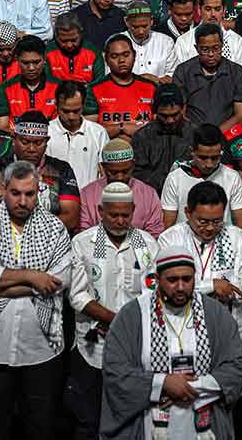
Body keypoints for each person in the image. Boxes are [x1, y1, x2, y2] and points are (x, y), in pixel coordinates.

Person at [0, 160, 72, 440]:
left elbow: (59, 281)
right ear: (3, 189)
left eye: (30, 194)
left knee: (41, 427)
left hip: (42, 347)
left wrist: (2, 287)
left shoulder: (55, 228)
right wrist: (34, 278)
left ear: (39, 192)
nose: (23, 201)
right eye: (15, 193)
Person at [99, 238, 242, 440]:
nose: (180, 287)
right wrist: (161, 384)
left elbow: (236, 365)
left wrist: (189, 388)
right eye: (172, 280)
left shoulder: (215, 314)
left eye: (187, 279)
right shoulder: (132, 315)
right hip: (149, 424)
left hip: (203, 420)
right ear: (158, 278)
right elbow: (115, 370)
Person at [68, 180, 159, 440]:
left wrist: (123, 324)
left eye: (125, 215)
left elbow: (154, 295)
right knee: (89, 420)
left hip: (135, 346)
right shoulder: (83, 243)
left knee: (131, 417)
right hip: (92, 346)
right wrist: (113, 319)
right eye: (113, 214)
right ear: (100, 211)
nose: (120, 221)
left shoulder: (147, 244)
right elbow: (77, 296)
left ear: (133, 210)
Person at [158, 180, 242, 340]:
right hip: (183, 331)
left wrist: (228, 288)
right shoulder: (170, 239)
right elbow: (165, 288)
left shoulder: (238, 238)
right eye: (203, 221)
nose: (210, 228)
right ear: (187, 213)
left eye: (217, 221)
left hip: (228, 329)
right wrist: (211, 286)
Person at [161, 123, 242, 228]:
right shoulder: (175, 178)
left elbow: (241, 224)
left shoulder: (232, 177)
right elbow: (168, 225)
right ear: (192, 151)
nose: (209, 164)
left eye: (215, 158)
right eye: (203, 158)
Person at [171, 23, 242, 130]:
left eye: (216, 48)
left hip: (227, 135)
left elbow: (241, 114)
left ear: (222, 45)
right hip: (193, 134)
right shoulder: (183, 71)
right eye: (205, 49)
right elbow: (180, 112)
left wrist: (217, 133)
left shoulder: (236, 72)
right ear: (196, 48)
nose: (211, 54)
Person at [78, 139, 163, 238]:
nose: (120, 177)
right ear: (103, 167)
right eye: (113, 172)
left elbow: (154, 233)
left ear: (133, 165)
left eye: (125, 171)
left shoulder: (149, 194)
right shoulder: (87, 195)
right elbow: (84, 235)